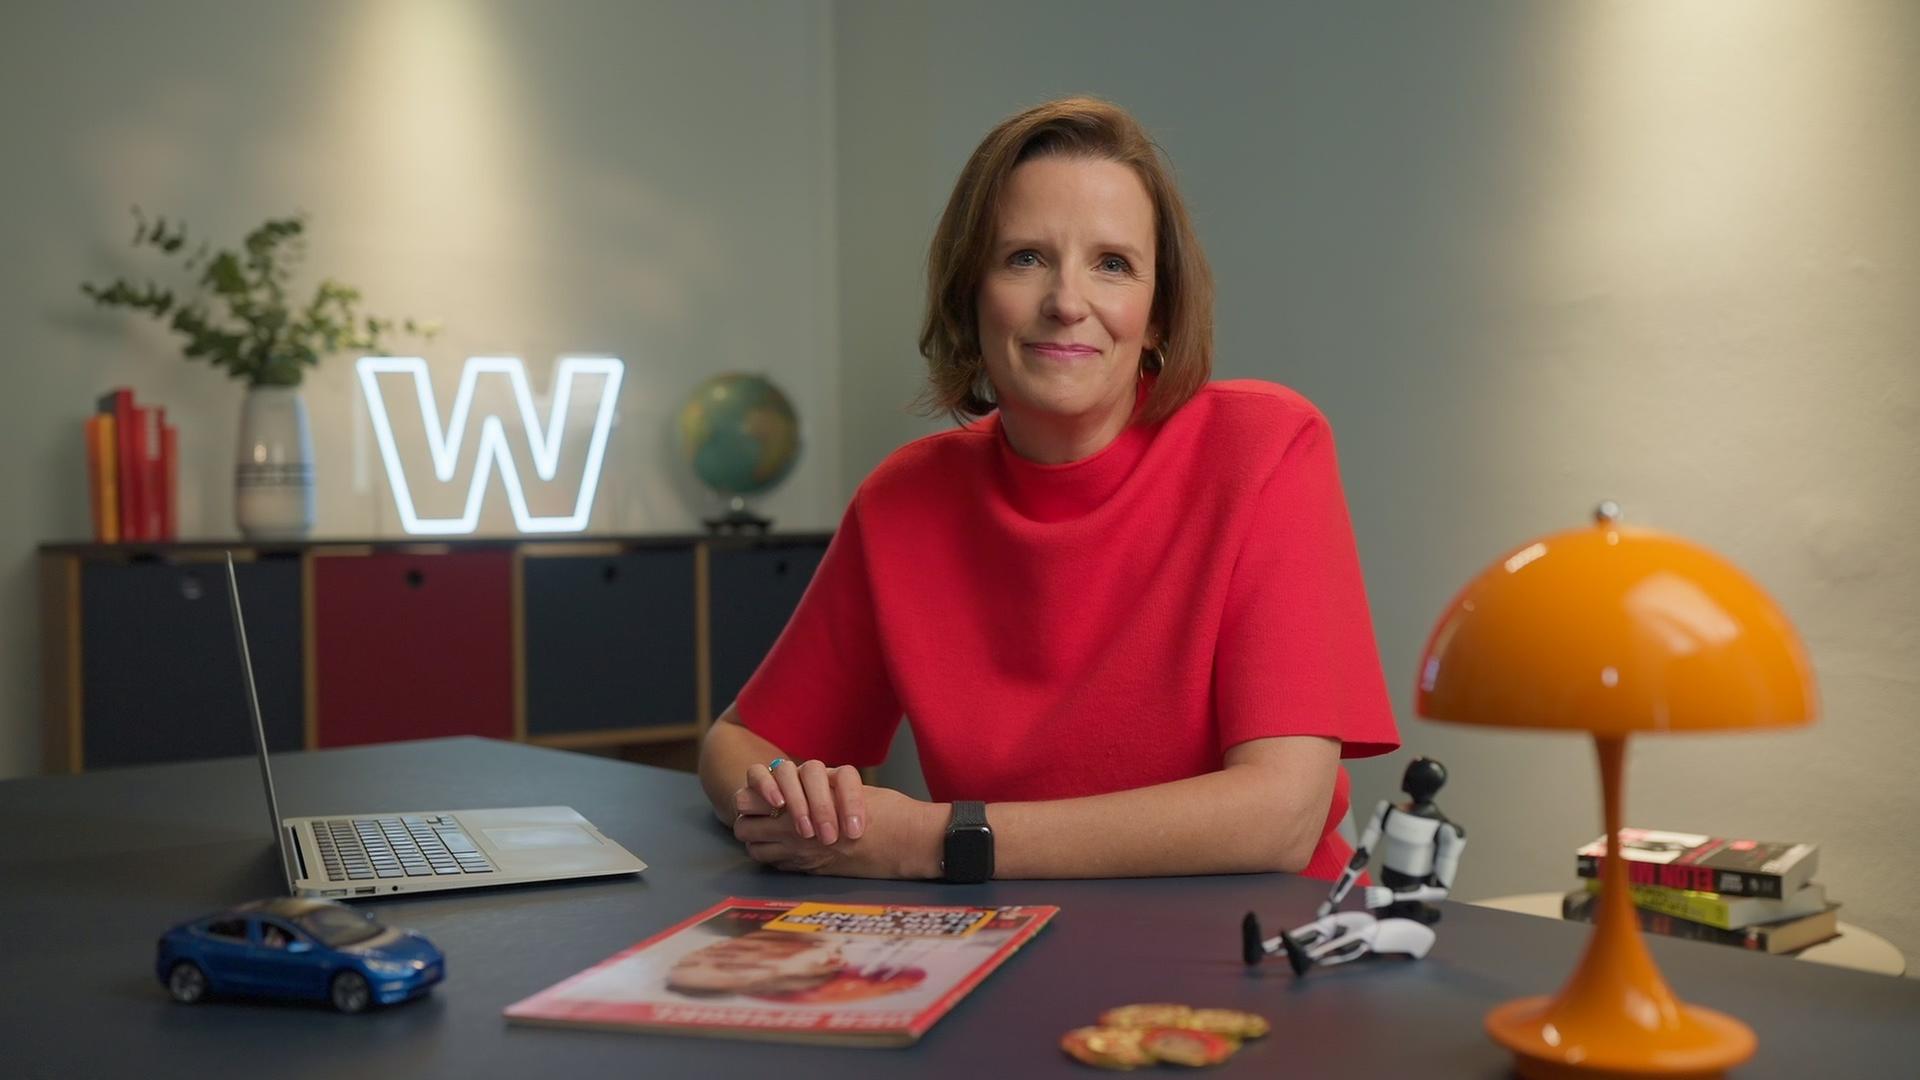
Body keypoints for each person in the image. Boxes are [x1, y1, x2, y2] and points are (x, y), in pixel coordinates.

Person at [698, 96, 1399, 881]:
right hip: (1010, 943)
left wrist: (931, 840)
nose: (1068, 302)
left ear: (1159, 314)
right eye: (1025, 257)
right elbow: (737, 744)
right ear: (972, 296)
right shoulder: (906, 500)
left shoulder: (1267, 449)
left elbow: (1281, 818)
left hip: (1253, 952)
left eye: (1113, 264)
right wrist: (790, 802)